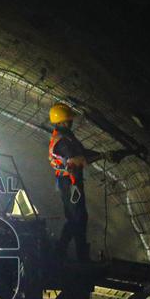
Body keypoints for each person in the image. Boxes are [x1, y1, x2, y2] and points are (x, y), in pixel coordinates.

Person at [48, 103, 102, 261]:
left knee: (78, 217)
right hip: (68, 182)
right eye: (69, 120)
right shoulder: (62, 141)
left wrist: (103, 154)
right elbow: (76, 160)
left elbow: (82, 152)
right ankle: (77, 256)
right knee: (77, 218)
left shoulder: (67, 136)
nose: (71, 122)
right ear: (61, 121)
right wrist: (101, 156)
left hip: (70, 181)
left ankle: (62, 252)